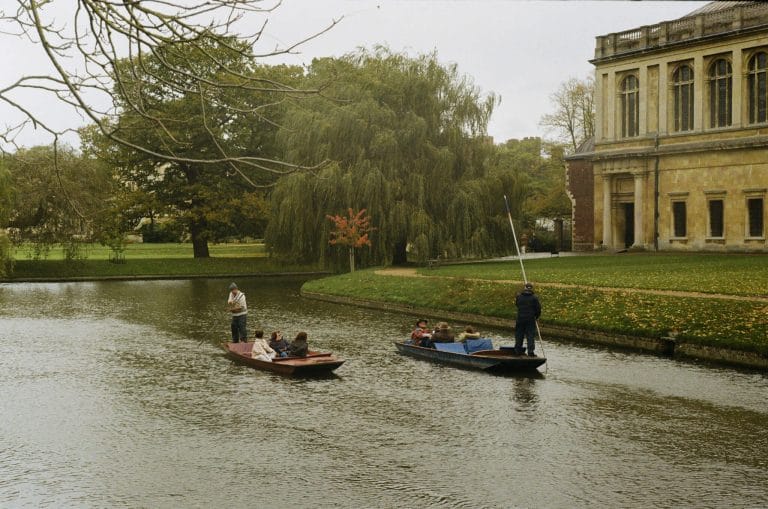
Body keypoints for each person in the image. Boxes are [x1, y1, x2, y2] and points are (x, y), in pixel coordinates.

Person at [514, 282, 541, 356]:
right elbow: (538, 309)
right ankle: (530, 352)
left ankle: (517, 351)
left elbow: (517, 305)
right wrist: (536, 317)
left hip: (520, 318)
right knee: (530, 335)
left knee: (519, 334)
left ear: (525, 288)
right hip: (530, 319)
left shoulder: (519, 296)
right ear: (531, 288)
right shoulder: (535, 298)